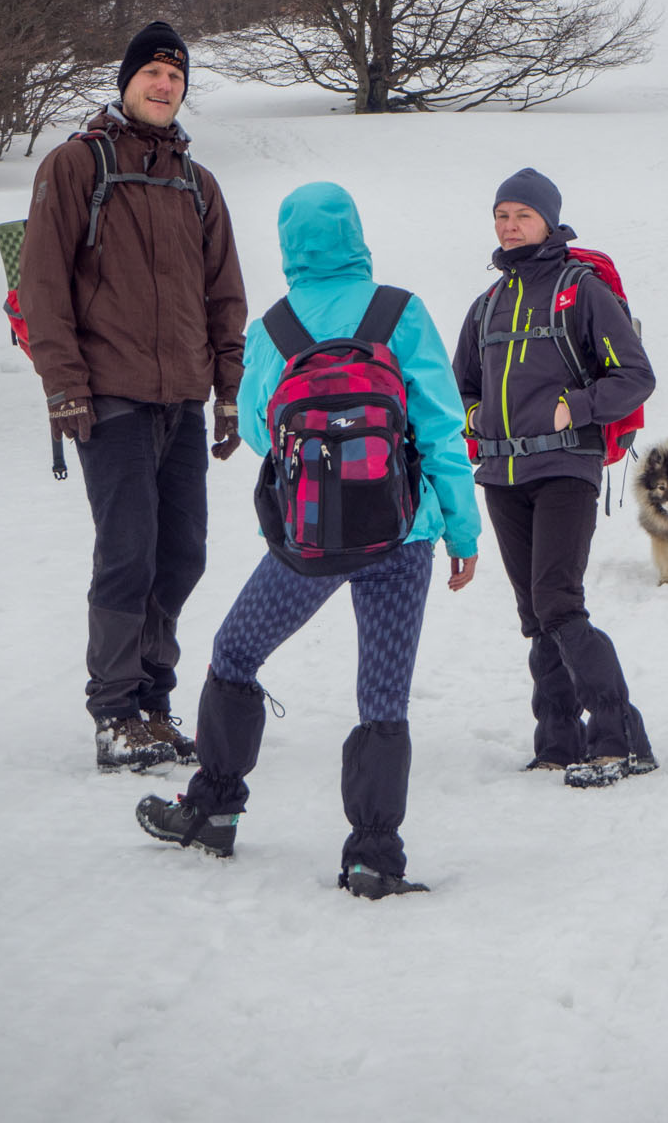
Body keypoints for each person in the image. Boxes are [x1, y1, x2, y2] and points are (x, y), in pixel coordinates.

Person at [135, 182, 480, 899]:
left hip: (309, 535)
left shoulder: (275, 327)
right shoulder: (400, 312)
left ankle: (214, 809)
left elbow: (263, 430)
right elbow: (444, 428)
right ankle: (374, 857)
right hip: (403, 533)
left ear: (290, 246)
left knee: (235, 652)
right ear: (357, 233)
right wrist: (461, 531)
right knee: (383, 697)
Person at [17, 21, 248, 772]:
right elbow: (42, 287)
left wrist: (227, 394)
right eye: (152, 73)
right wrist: (64, 389)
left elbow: (224, 298)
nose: (164, 85)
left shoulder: (196, 183)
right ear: (126, 83)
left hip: (181, 399)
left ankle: (153, 700)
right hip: (106, 397)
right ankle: (115, 710)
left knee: (182, 554)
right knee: (128, 554)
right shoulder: (75, 165)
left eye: (175, 77)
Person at [452, 168, 658, 788]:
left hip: (567, 466)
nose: (510, 226)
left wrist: (581, 406)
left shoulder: (582, 291)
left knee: (559, 603)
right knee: (535, 614)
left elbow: (635, 376)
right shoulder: (486, 305)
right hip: (502, 473)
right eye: (501, 215)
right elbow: (459, 386)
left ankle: (619, 740)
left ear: (549, 220)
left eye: (522, 215)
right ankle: (558, 740)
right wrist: (474, 417)